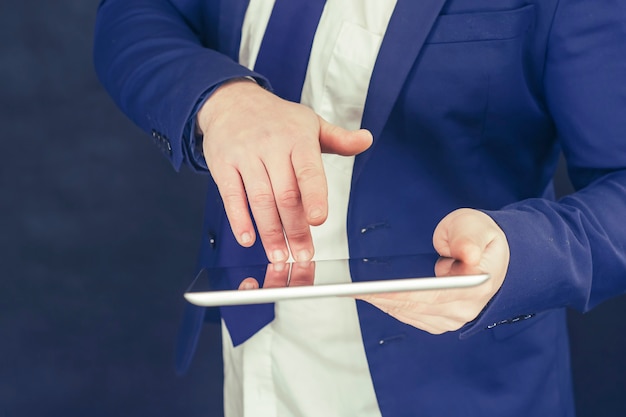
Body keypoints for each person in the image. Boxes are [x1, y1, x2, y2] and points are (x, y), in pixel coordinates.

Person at [94, 0, 626, 415]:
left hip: (455, 384)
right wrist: (221, 97)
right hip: (252, 362)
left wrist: (524, 255)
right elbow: (137, 11)